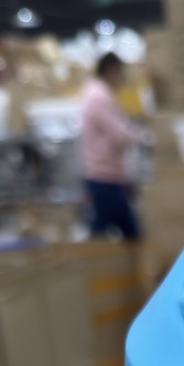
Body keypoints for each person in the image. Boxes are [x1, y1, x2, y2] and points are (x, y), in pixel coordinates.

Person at [79, 51, 143, 240]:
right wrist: (141, 135)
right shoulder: (99, 96)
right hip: (104, 176)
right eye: (120, 73)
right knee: (108, 232)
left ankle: (131, 258)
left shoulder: (96, 93)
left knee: (121, 230)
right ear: (110, 70)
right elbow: (118, 135)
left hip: (107, 175)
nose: (122, 78)